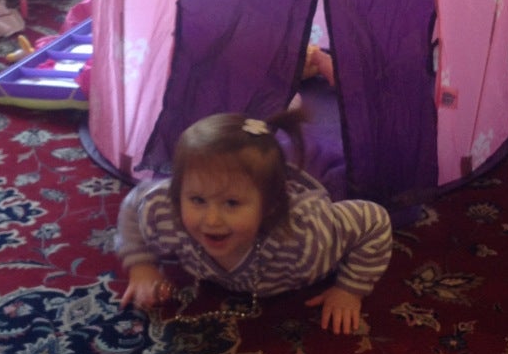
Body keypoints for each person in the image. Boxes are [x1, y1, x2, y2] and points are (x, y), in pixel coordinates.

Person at [115, 110, 392, 335]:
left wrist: (350, 289)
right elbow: (134, 203)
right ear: (177, 195)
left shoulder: (305, 239)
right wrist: (141, 265)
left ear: (270, 207)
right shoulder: (166, 211)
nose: (211, 220)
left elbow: (374, 220)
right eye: (198, 200)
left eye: (231, 203)